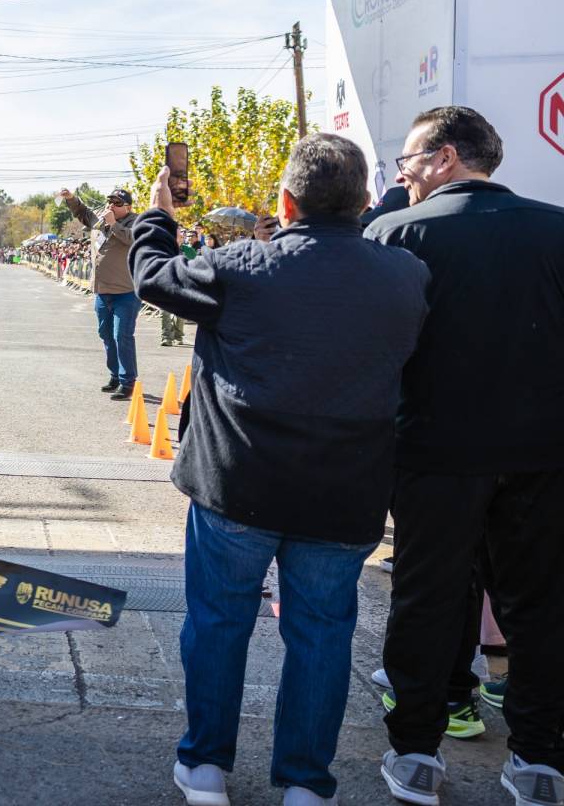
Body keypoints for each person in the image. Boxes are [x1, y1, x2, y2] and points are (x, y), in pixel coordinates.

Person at [130, 134, 429, 806]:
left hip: (239, 485)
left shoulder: (241, 265)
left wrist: (158, 214)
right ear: (361, 204)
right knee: (322, 633)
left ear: (286, 201)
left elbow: (151, 273)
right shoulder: (405, 275)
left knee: (218, 622)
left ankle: (204, 767)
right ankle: (305, 783)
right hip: (346, 492)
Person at [365, 107, 564, 806]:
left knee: (427, 600)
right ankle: (539, 761)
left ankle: (417, 753)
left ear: (446, 157)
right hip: (543, 456)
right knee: (540, 607)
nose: (404, 174)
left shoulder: (394, 233)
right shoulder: (556, 228)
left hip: (433, 453)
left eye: (411, 160)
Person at [59, 187, 140, 399]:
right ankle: (115, 375)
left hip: (126, 291)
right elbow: (84, 213)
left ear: (128, 207)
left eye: (117, 203)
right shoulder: (101, 221)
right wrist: (71, 199)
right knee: (106, 335)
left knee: (121, 335)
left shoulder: (137, 222)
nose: (111, 206)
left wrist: (114, 224)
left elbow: (134, 240)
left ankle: (128, 381)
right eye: (109, 202)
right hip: (103, 291)